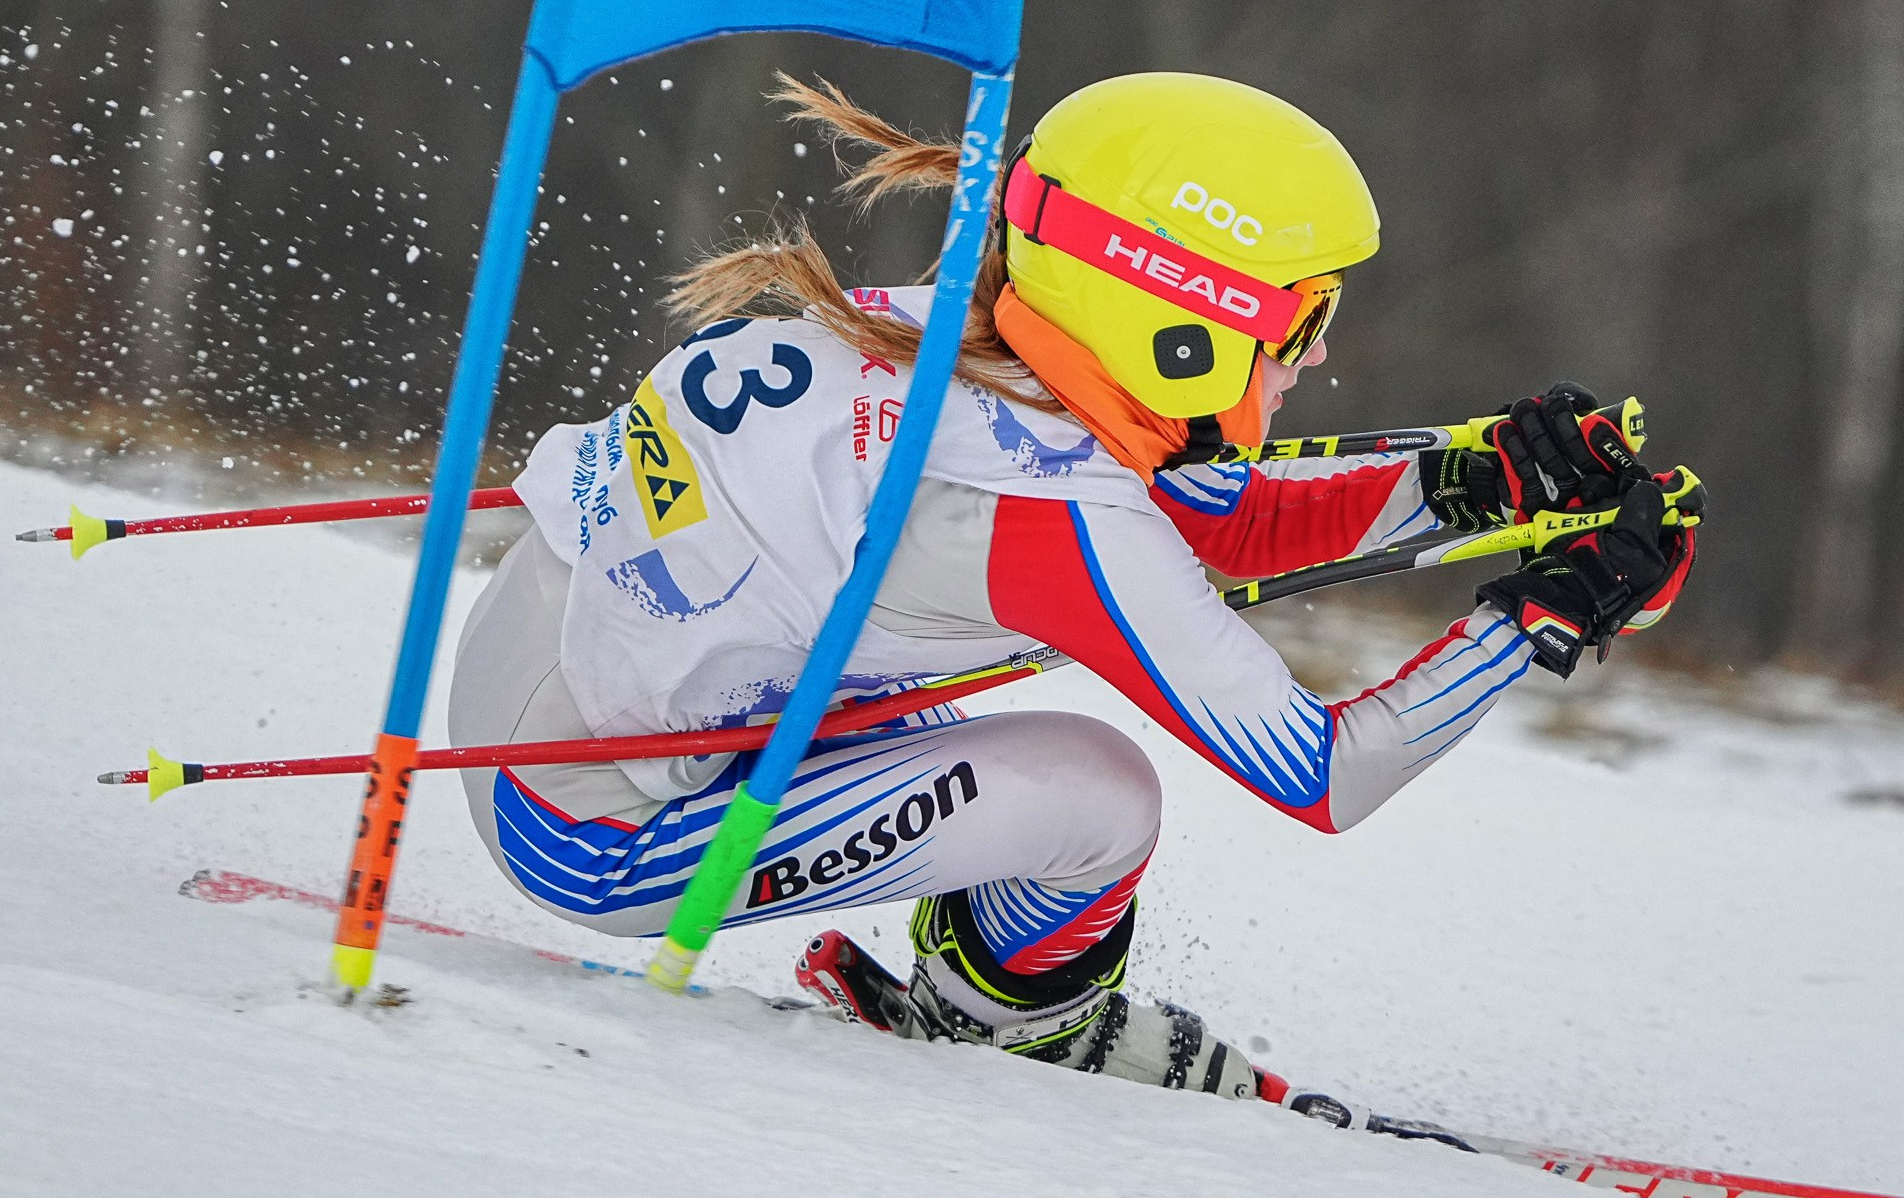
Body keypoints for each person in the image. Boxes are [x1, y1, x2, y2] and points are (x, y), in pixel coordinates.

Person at [449, 70, 1694, 1100]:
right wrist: (1545, 617)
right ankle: (1007, 1036)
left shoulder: (971, 339)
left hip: (559, 680)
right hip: (592, 828)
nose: (1318, 355)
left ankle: (1002, 982)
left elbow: (1229, 516)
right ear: (1182, 324)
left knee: (993, 736)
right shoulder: (1042, 516)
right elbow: (1327, 776)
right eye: (1303, 321)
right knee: (1101, 800)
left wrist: (1485, 477)